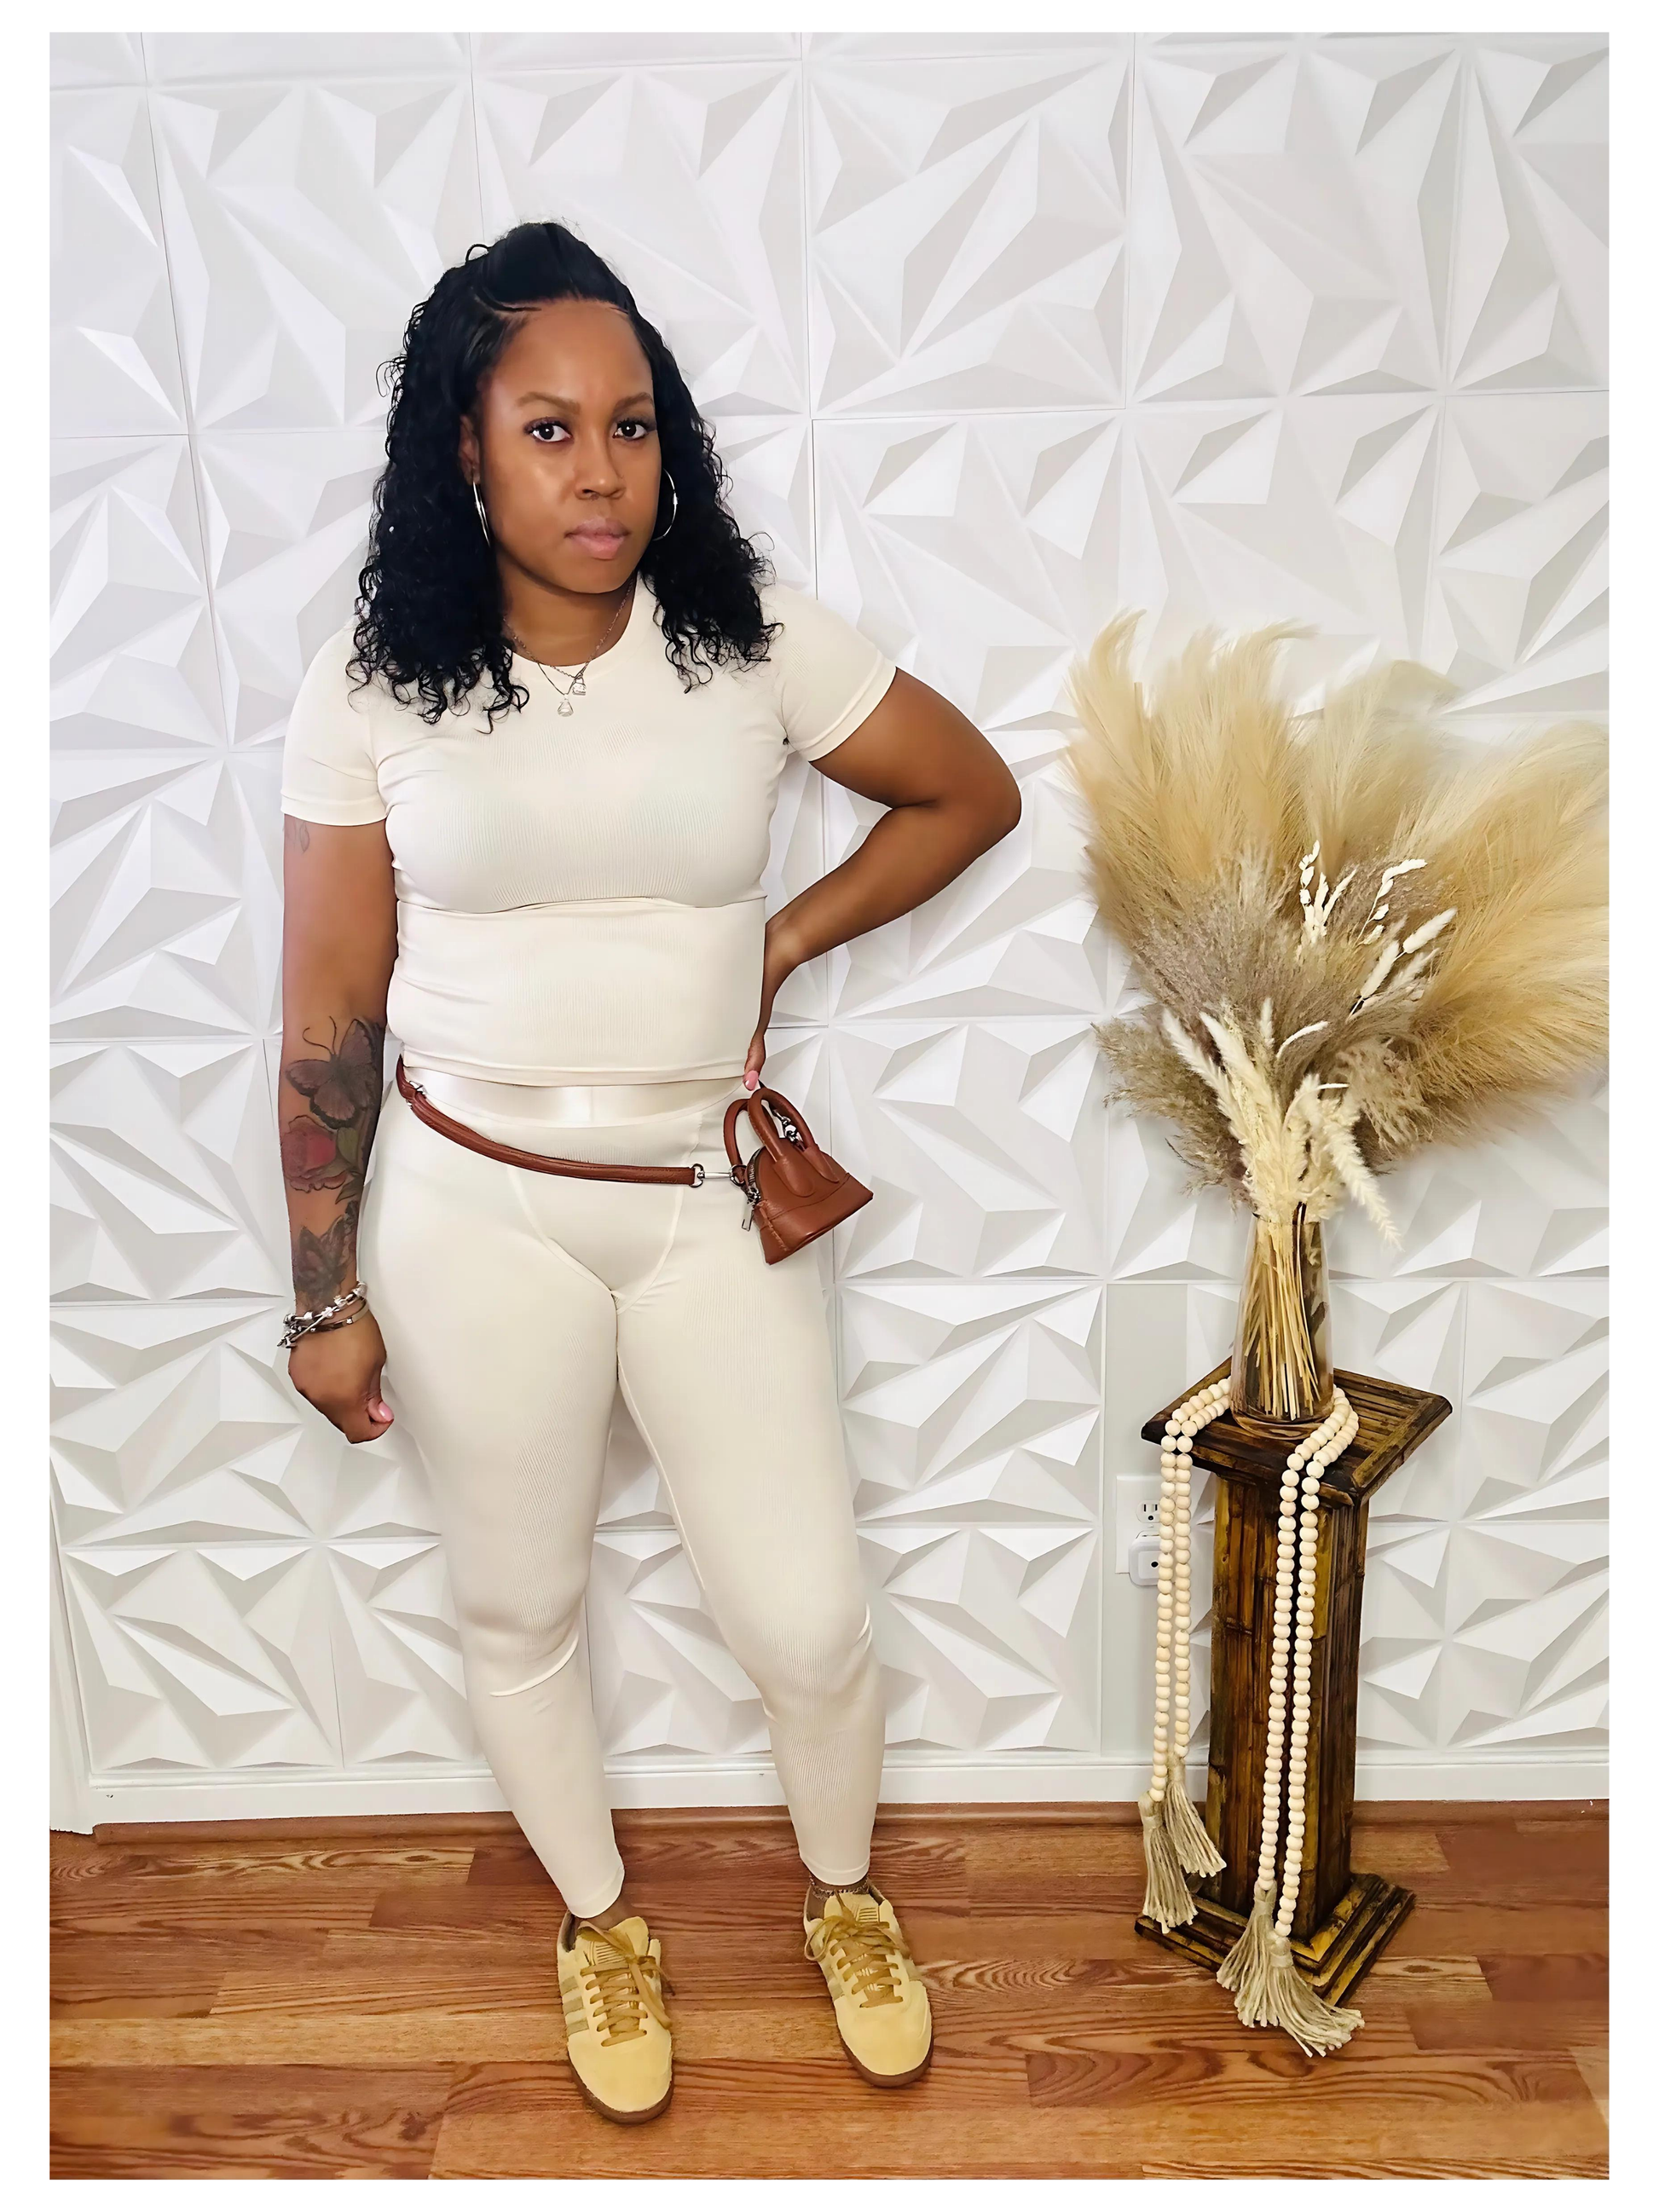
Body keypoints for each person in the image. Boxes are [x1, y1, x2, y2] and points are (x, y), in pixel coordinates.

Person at [278, 219, 1021, 2124]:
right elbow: (331, 1002)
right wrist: (322, 1294)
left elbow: (968, 790)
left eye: (631, 426)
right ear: (464, 449)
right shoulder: (372, 680)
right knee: (519, 1603)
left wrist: (782, 940)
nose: (600, 471)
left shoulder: (745, 631)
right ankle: (600, 1919)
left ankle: (844, 1893)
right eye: (548, 429)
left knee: (806, 1617)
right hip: (471, 1208)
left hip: (707, 1200)